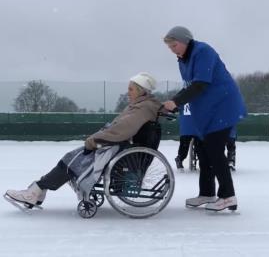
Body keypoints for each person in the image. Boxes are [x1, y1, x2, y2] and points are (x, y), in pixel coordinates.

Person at [4, 72, 163, 208]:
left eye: (131, 89)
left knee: (72, 162)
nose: (128, 92)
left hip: (118, 149)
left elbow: (121, 130)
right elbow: (120, 128)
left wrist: (94, 140)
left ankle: (37, 190)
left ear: (142, 91)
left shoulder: (142, 108)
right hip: (118, 147)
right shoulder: (140, 105)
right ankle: (38, 189)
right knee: (71, 158)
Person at [163, 26, 246, 211]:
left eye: (174, 45)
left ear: (185, 41)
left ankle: (228, 196)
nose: (172, 50)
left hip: (223, 106)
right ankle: (207, 193)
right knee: (202, 148)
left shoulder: (203, 51)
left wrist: (175, 101)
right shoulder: (182, 60)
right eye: (170, 47)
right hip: (208, 110)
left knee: (214, 149)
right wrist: (175, 102)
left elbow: (200, 84)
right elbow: (189, 86)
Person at [175, 103, 199, 170]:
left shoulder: (183, 98)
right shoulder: (199, 98)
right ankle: (201, 157)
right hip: (197, 126)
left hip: (185, 127)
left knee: (184, 144)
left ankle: (180, 158)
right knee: (200, 144)